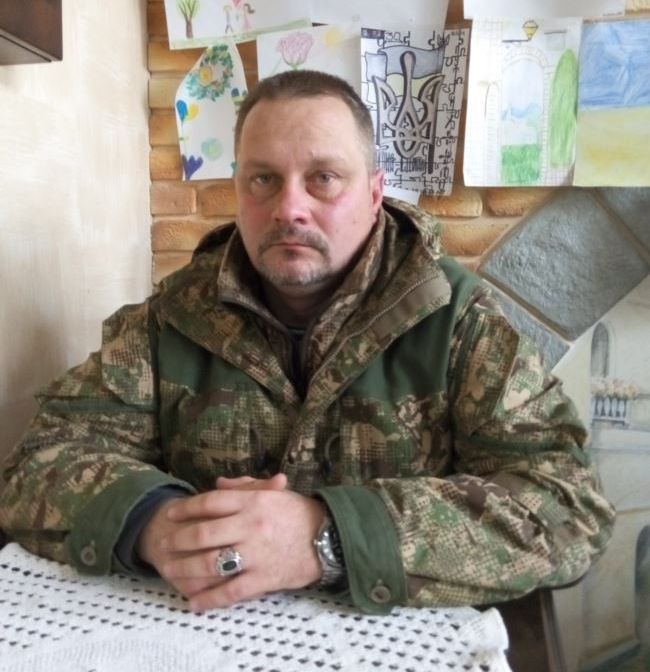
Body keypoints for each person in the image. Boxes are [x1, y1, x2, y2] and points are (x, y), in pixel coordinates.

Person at [0, 71, 614, 615]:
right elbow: (39, 462)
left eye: (323, 178)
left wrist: (328, 535)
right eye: (263, 179)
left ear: (374, 192)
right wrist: (156, 523)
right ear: (237, 189)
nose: (288, 208)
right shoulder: (172, 319)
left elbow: (567, 509)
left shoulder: (457, 323)